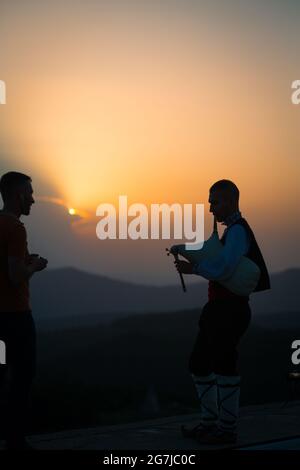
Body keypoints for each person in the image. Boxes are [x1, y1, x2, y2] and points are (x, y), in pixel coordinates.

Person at [174, 179, 270, 445]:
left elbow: (225, 267)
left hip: (230, 310)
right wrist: (186, 253)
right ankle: (211, 423)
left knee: (223, 365)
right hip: (219, 309)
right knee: (200, 363)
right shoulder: (234, 231)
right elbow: (217, 259)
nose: (210, 209)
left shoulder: (238, 232)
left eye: (214, 202)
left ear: (229, 201)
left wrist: (193, 269)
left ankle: (226, 429)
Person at [0, 171, 48, 450]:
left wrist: (23, 260)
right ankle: (15, 441)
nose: (33, 199)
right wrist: (35, 266)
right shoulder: (16, 228)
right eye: (30, 193)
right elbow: (16, 276)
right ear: (19, 195)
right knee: (21, 377)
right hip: (15, 318)